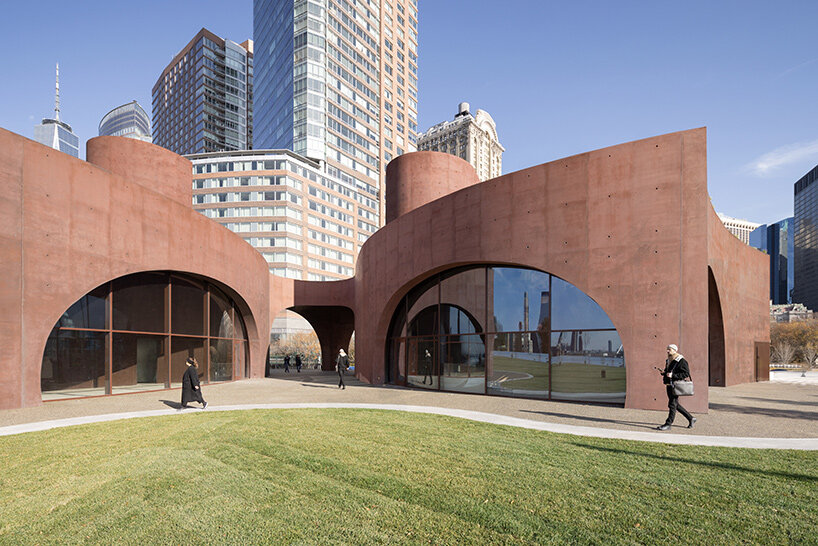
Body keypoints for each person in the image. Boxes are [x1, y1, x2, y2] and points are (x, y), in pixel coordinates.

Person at [657, 344, 695, 430]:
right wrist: (664, 373)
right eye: (667, 349)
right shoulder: (669, 360)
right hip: (669, 385)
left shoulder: (681, 360)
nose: (667, 351)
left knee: (672, 405)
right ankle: (691, 418)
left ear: (675, 350)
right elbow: (669, 371)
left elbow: (686, 373)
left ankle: (668, 424)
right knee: (675, 404)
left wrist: (673, 375)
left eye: (669, 349)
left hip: (675, 386)